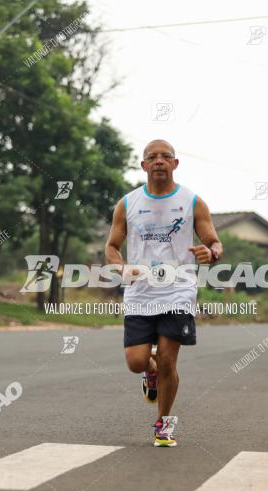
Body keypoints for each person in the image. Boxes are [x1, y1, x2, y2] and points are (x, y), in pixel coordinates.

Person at [105, 139, 223, 447]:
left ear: (175, 164)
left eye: (165, 157)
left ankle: (163, 426)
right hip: (140, 294)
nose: (159, 161)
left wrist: (210, 253)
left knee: (169, 360)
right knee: (136, 361)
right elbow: (111, 247)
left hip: (178, 292)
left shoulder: (191, 201)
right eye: (152, 157)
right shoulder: (128, 203)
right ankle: (150, 373)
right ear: (143, 165)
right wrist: (121, 269)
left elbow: (214, 242)